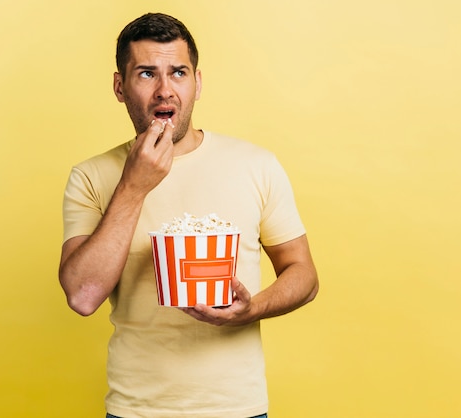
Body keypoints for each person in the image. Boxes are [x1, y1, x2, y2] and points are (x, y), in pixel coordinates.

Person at [59, 12, 318, 418]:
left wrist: (253, 308)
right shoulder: (92, 176)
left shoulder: (256, 165)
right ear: (119, 87)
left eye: (178, 72)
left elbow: (304, 275)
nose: (165, 90)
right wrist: (134, 186)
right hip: (135, 410)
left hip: (239, 409)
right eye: (146, 73)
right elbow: (83, 295)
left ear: (197, 83)